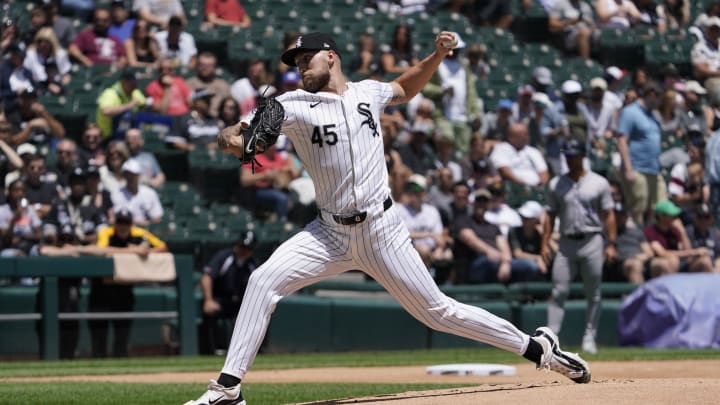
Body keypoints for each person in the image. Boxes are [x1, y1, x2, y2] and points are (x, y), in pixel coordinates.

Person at [186, 31, 591, 405]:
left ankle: (537, 348)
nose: (301, 66)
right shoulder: (289, 105)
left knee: (438, 313)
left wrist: (437, 55)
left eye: (307, 58)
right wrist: (235, 138)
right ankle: (227, 388)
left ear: (332, 56)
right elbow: (237, 134)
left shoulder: (368, 93)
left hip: (383, 232)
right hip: (329, 233)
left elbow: (405, 87)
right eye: (296, 62)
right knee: (262, 280)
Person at [541, 139, 616, 355]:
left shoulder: (598, 182)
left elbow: (608, 213)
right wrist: (544, 244)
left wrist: (611, 243)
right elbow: (550, 214)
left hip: (592, 239)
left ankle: (589, 337)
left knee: (593, 293)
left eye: (574, 155)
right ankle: (551, 338)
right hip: (566, 242)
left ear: (583, 156)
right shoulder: (557, 184)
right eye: (568, 155)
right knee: (559, 290)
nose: (570, 159)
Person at [87, 207, 168, 357]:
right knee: (99, 333)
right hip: (102, 290)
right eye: (120, 222)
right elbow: (101, 251)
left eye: (126, 223)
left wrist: (146, 251)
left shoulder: (139, 233)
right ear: (115, 223)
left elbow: (163, 247)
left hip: (124, 290)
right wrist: (132, 251)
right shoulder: (107, 232)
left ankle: (120, 363)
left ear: (131, 224)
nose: (123, 226)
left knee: (122, 333)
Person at [616, 83, 666, 226]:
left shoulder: (653, 116)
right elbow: (622, 141)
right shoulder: (630, 112)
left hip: (654, 170)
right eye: (659, 99)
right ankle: (635, 241)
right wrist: (628, 169)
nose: (660, 103)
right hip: (637, 168)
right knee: (639, 208)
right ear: (651, 96)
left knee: (659, 207)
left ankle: (650, 240)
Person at [200, 231, 258, 355]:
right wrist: (208, 300)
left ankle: (252, 352)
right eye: (242, 246)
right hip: (220, 300)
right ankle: (212, 351)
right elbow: (207, 277)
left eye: (248, 248)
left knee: (260, 315)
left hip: (241, 303)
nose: (244, 251)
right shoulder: (225, 257)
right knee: (211, 314)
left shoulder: (252, 264)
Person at [397, 174, 452, 277]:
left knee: (447, 255)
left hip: (432, 248)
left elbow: (439, 236)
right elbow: (402, 233)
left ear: (425, 192)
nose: (414, 193)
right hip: (409, 250)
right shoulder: (400, 209)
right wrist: (429, 235)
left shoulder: (432, 211)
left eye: (418, 190)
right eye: (411, 190)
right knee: (423, 250)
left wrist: (439, 250)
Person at [489, 122, 550, 187]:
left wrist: (541, 186)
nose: (527, 137)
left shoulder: (533, 151)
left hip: (536, 189)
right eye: (523, 135)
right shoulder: (501, 148)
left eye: (527, 134)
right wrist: (525, 186)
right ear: (511, 137)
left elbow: (543, 172)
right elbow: (504, 171)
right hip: (514, 188)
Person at [110, 159, 164, 226]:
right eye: (127, 174)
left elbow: (158, 218)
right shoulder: (116, 194)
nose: (130, 177)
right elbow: (112, 219)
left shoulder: (150, 193)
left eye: (133, 175)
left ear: (139, 175)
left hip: (145, 232)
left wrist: (145, 223)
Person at [96, 71, 147, 139]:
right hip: (107, 136)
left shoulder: (134, 91)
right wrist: (129, 105)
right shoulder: (110, 93)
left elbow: (145, 104)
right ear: (123, 82)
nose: (134, 87)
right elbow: (106, 111)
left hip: (127, 135)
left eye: (135, 84)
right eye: (132, 84)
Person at [22, 28, 72, 96]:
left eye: (46, 41)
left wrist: (61, 86)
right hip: (37, 86)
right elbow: (26, 72)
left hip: (57, 85)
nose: (42, 44)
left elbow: (65, 75)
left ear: (52, 42)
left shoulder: (60, 54)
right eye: (40, 41)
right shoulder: (31, 54)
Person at [187, 52, 232, 117]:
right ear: (197, 66)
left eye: (209, 65)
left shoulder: (223, 86)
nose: (205, 68)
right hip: (194, 121)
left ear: (215, 67)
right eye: (202, 65)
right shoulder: (188, 84)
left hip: (218, 122)